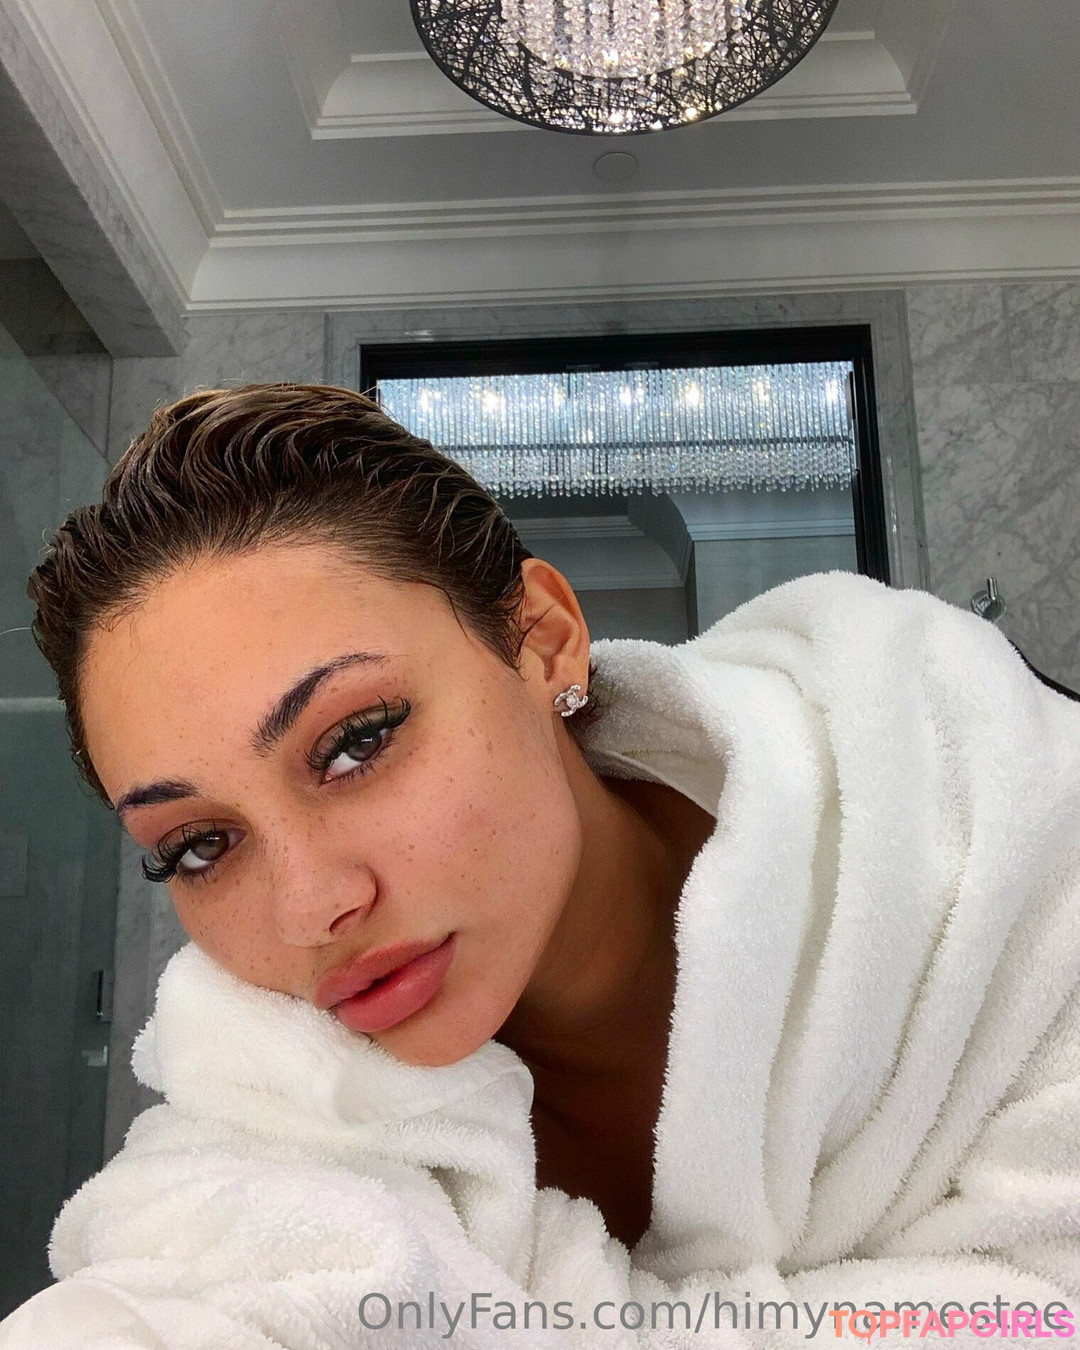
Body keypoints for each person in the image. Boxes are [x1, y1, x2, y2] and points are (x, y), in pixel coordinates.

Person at [1, 382, 1077, 1349]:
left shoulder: (997, 848)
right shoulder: (263, 1090)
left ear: (545, 641)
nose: (311, 908)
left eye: (356, 743)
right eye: (201, 844)